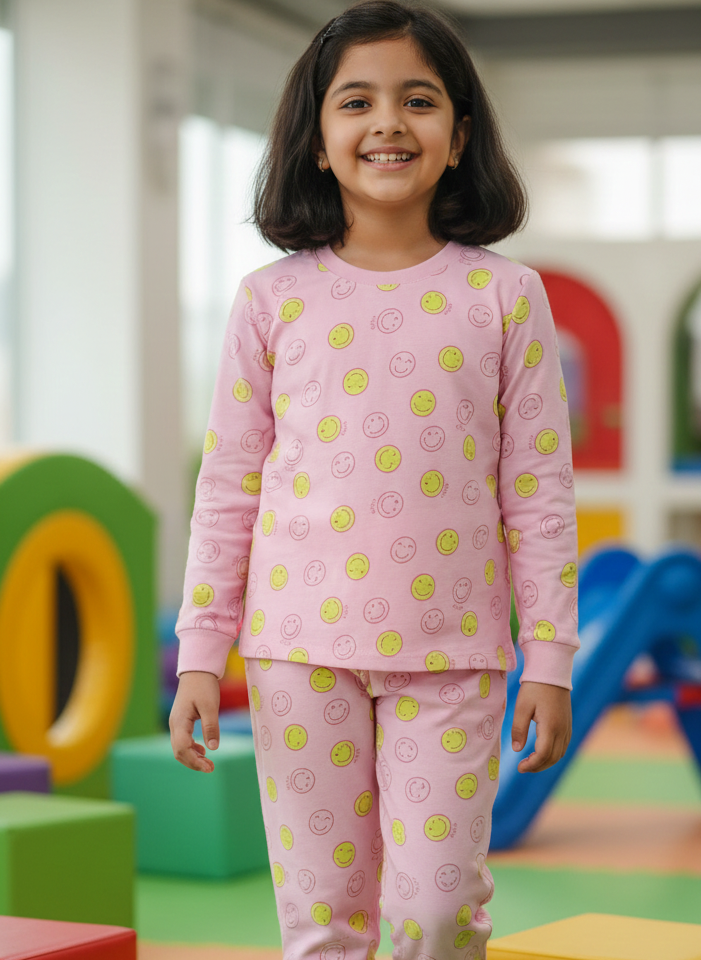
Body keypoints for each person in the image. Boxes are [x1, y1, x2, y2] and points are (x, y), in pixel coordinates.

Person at [169, 1, 579, 957]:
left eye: (419, 100)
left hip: (455, 654)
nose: (388, 122)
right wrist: (201, 653)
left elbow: (541, 493)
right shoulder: (269, 300)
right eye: (356, 101)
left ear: (460, 134)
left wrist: (551, 655)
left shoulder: (504, 295)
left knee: (437, 913)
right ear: (317, 139)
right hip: (298, 650)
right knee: (323, 921)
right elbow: (228, 484)